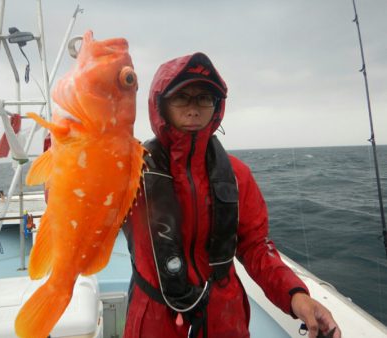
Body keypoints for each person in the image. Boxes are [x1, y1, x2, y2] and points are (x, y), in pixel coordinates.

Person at [122, 52, 341, 338]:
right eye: (181, 97)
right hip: (154, 319)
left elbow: (256, 247)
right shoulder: (129, 170)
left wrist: (296, 295)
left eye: (204, 98)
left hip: (225, 318)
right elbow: (79, 214)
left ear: (217, 107)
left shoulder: (238, 175)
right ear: (161, 105)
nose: (193, 109)